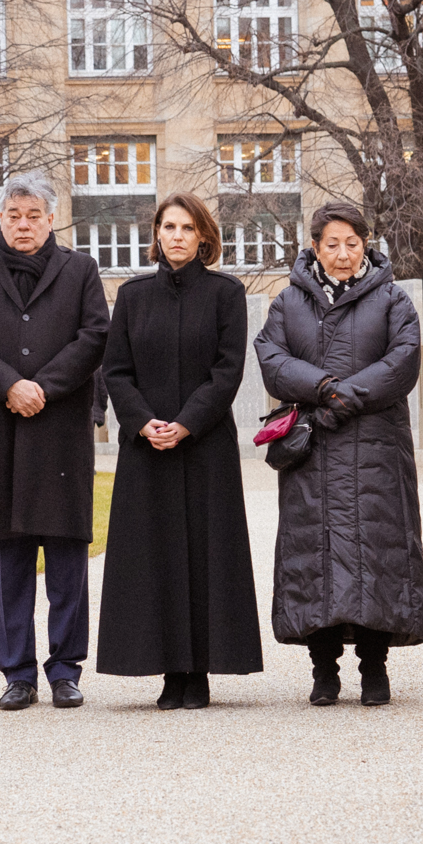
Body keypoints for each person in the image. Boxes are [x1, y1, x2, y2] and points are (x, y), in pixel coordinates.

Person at [255, 202, 423, 706]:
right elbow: (272, 360)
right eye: (331, 244)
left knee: (378, 553)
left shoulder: (394, 299)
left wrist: (339, 398)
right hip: (313, 451)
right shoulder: (288, 302)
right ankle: (323, 670)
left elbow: (402, 362)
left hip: (376, 448)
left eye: (352, 243)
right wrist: (326, 386)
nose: (342, 253)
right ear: (315, 247)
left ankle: (375, 667)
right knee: (314, 556)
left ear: (366, 245)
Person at [0, 171, 110, 712]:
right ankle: (17, 673)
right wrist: (10, 386)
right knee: (11, 557)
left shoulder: (81, 270)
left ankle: (65, 670)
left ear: (51, 219)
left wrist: (43, 386)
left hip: (61, 429)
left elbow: (94, 337)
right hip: (4, 427)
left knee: (67, 557)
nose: (23, 225)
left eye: (33, 215)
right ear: (0, 220)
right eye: (14, 216)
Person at [96, 192, 262, 707]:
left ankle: (201, 671)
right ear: (157, 234)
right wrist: (144, 422)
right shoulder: (132, 296)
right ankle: (170, 671)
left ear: (203, 236)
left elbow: (227, 370)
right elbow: (115, 370)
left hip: (204, 446)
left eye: (187, 228)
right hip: (146, 448)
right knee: (156, 558)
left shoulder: (226, 294)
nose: (176, 236)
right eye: (168, 227)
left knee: (204, 556)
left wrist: (187, 424)